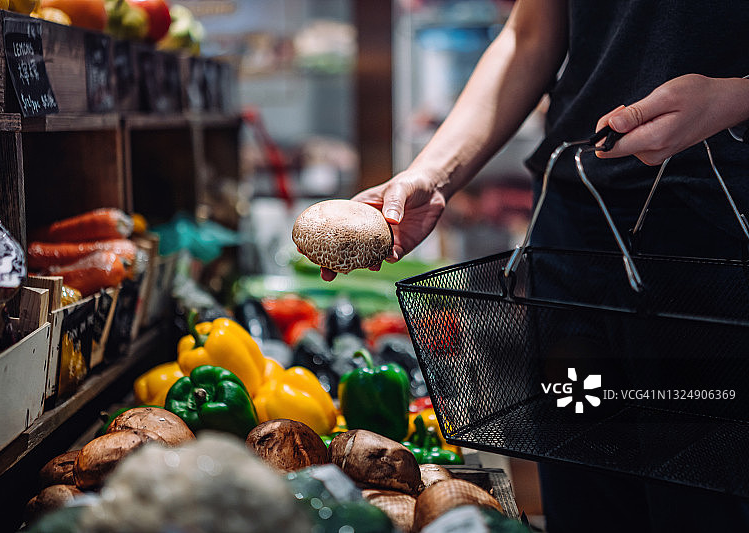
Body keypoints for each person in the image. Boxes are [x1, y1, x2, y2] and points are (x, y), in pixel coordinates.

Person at [319, 1, 749, 531]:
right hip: (572, 224)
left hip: (719, 229)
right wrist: (431, 174)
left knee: (707, 505)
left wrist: (736, 97)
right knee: (585, 497)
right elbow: (528, 36)